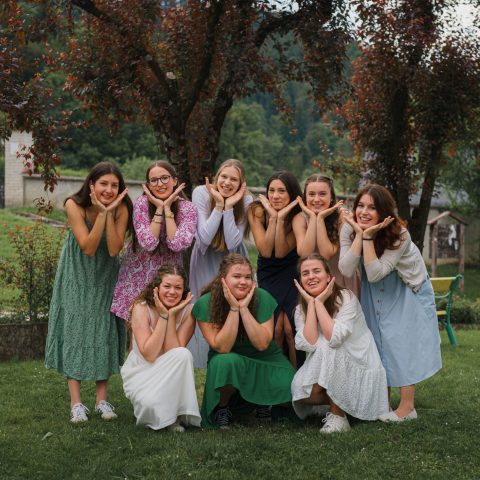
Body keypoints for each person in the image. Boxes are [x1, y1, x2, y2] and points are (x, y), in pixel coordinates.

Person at [339, 184, 442, 422]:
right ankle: (381, 403)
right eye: (360, 206)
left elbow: (377, 272)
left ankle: (407, 408)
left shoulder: (400, 234)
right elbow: (346, 268)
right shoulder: (348, 228)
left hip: (406, 287)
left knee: (400, 341)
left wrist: (367, 236)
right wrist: (359, 234)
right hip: (375, 286)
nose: (364, 212)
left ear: (384, 212)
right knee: (376, 340)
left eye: (372, 208)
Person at [45, 161, 132, 423]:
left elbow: (114, 249)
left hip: (105, 275)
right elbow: (88, 247)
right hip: (76, 274)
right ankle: (76, 403)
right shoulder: (74, 205)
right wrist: (103, 215)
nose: (109, 190)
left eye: (114, 185)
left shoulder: (122, 208)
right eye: (103, 184)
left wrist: (111, 212)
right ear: (91, 185)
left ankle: (101, 401)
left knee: (103, 329)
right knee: (76, 329)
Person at [192, 254, 296, 429]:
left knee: (292, 385)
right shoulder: (206, 303)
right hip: (228, 358)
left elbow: (262, 344)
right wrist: (234, 309)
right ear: (223, 279)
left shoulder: (262, 297)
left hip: (265, 358)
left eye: (248, 277)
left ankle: (262, 403)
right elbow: (223, 347)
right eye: (237, 276)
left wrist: (244, 309)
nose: (243, 282)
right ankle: (222, 408)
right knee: (225, 362)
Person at [291, 254, 389, 433]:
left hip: (359, 362)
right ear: (300, 280)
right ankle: (344, 403)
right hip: (328, 362)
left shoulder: (346, 298)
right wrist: (312, 305)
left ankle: (339, 417)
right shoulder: (300, 309)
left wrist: (319, 304)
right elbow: (309, 344)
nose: (311, 276)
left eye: (316, 271)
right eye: (305, 273)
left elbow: (334, 338)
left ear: (328, 276)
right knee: (302, 393)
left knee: (330, 347)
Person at [111, 161, 197, 323]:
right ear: (149, 185)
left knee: (166, 328)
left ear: (175, 180)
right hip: (137, 277)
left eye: (165, 178)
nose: (160, 184)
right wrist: (159, 209)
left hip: (169, 281)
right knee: (137, 331)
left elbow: (177, 244)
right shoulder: (142, 204)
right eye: (154, 180)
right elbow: (148, 244)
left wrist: (168, 209)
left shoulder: (188, 209)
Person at [188, 159, 253, 368]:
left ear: (241, 184)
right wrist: (218, 205)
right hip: (204, 257)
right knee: (205, 306)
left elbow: (233, 242)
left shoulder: (246, 200)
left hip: (232, 260)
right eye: (224, 176)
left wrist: (230, 207)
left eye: (234, 179)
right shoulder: (201, 193)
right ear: (217, 177)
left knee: (231, 306)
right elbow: (205, 237)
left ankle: (230, 358)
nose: (227, 182)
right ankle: (202, 361)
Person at [121, 265, 201, 432]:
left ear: (184, 290)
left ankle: (174, 417)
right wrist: (163, 316)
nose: (172, 292)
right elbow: (150, 354)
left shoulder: (188, 311)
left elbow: (174, 352)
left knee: (183, 354)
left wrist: (171, 315)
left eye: (178, 287)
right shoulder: (141, 308)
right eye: (167, 286)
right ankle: (158, 410)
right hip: (141, 370)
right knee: (149, 405)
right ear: (156, 288)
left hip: (171, 370)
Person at [248, 171, 303, 368]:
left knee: (290, 329)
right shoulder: (256, 210)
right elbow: (265, 250)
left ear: (292, 193)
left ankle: (298, 377)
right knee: (276, 330)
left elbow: (280, 252)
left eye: (282, 191)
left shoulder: (298, 214)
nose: (275, 196)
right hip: (268, 272)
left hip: (291, 270)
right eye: (271, 191)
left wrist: (281, 219)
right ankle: (277, 375)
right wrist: (273, 218)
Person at [292, 174, 360, 297]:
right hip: (314, 281)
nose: (316, 199)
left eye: (322, 194)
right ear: (305, 197)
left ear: (331, 197)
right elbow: (304, 253)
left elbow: (326, 254)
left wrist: (320, 219)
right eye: (311, 194)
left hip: (341, 279)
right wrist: (313, 218)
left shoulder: (342, 217)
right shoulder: (300, 219)